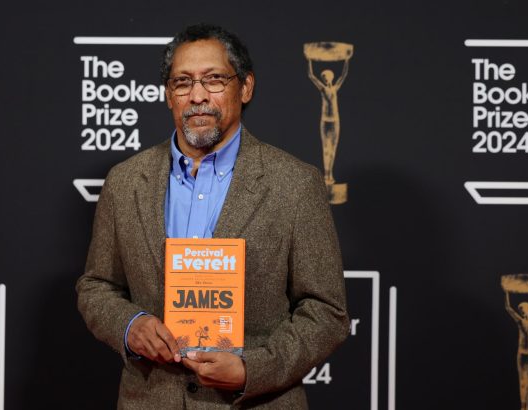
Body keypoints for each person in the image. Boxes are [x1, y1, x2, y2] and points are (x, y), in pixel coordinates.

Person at [76, 23, 349, 409]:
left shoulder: (295, 184)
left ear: (246, 87)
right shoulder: (124, 182)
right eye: (183, 82)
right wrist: (129, 325)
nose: (198, 96)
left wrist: (252, 370)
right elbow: (96, 286)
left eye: (215, 80)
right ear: (169, 95)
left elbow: (327, 312)